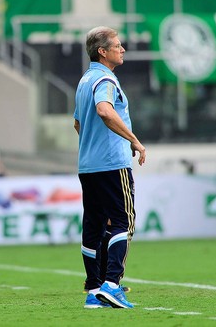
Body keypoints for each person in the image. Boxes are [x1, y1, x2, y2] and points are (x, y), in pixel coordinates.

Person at [74, 26, 146, 309]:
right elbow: (104, 110)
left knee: (93, 226)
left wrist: (92, 146)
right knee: (123, 221)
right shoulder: (105, 78)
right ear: (102, 52)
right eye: (117, 45)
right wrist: (134, 141)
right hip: (111, 164)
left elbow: (78, 123)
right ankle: (113, 285)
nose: (122, 48)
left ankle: (93, 290)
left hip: (88, 165)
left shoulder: (84, 81)